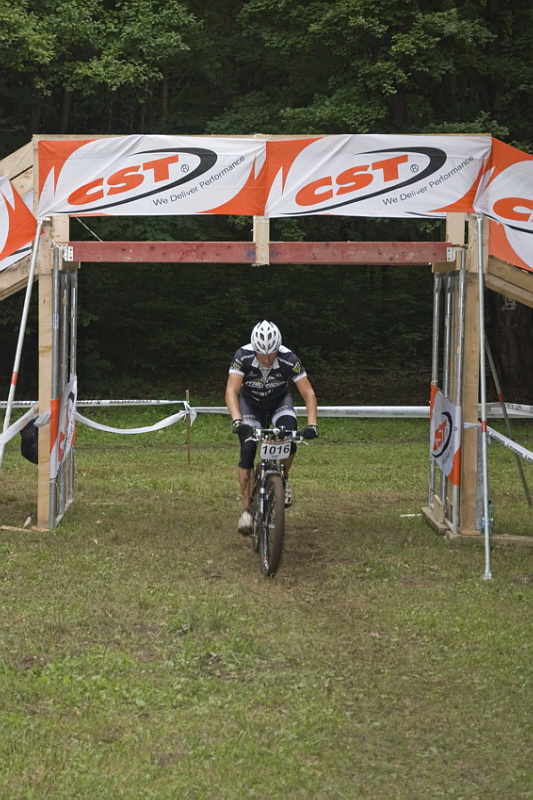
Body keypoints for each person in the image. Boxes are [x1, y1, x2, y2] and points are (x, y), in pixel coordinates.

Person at [225, 320, 318, 535]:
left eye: (271, 354)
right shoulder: (242, 356)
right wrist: (237, 420)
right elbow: (231, 390)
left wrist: (312, 424)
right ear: (254, 348)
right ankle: (246, 511)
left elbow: (308, 393)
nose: (266, 359)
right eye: (262, 354)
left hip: (279, 403)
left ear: (278, 348)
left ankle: (283, 481)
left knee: (290, 436)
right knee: (248, 449)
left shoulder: (289, 358)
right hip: (250, 406)